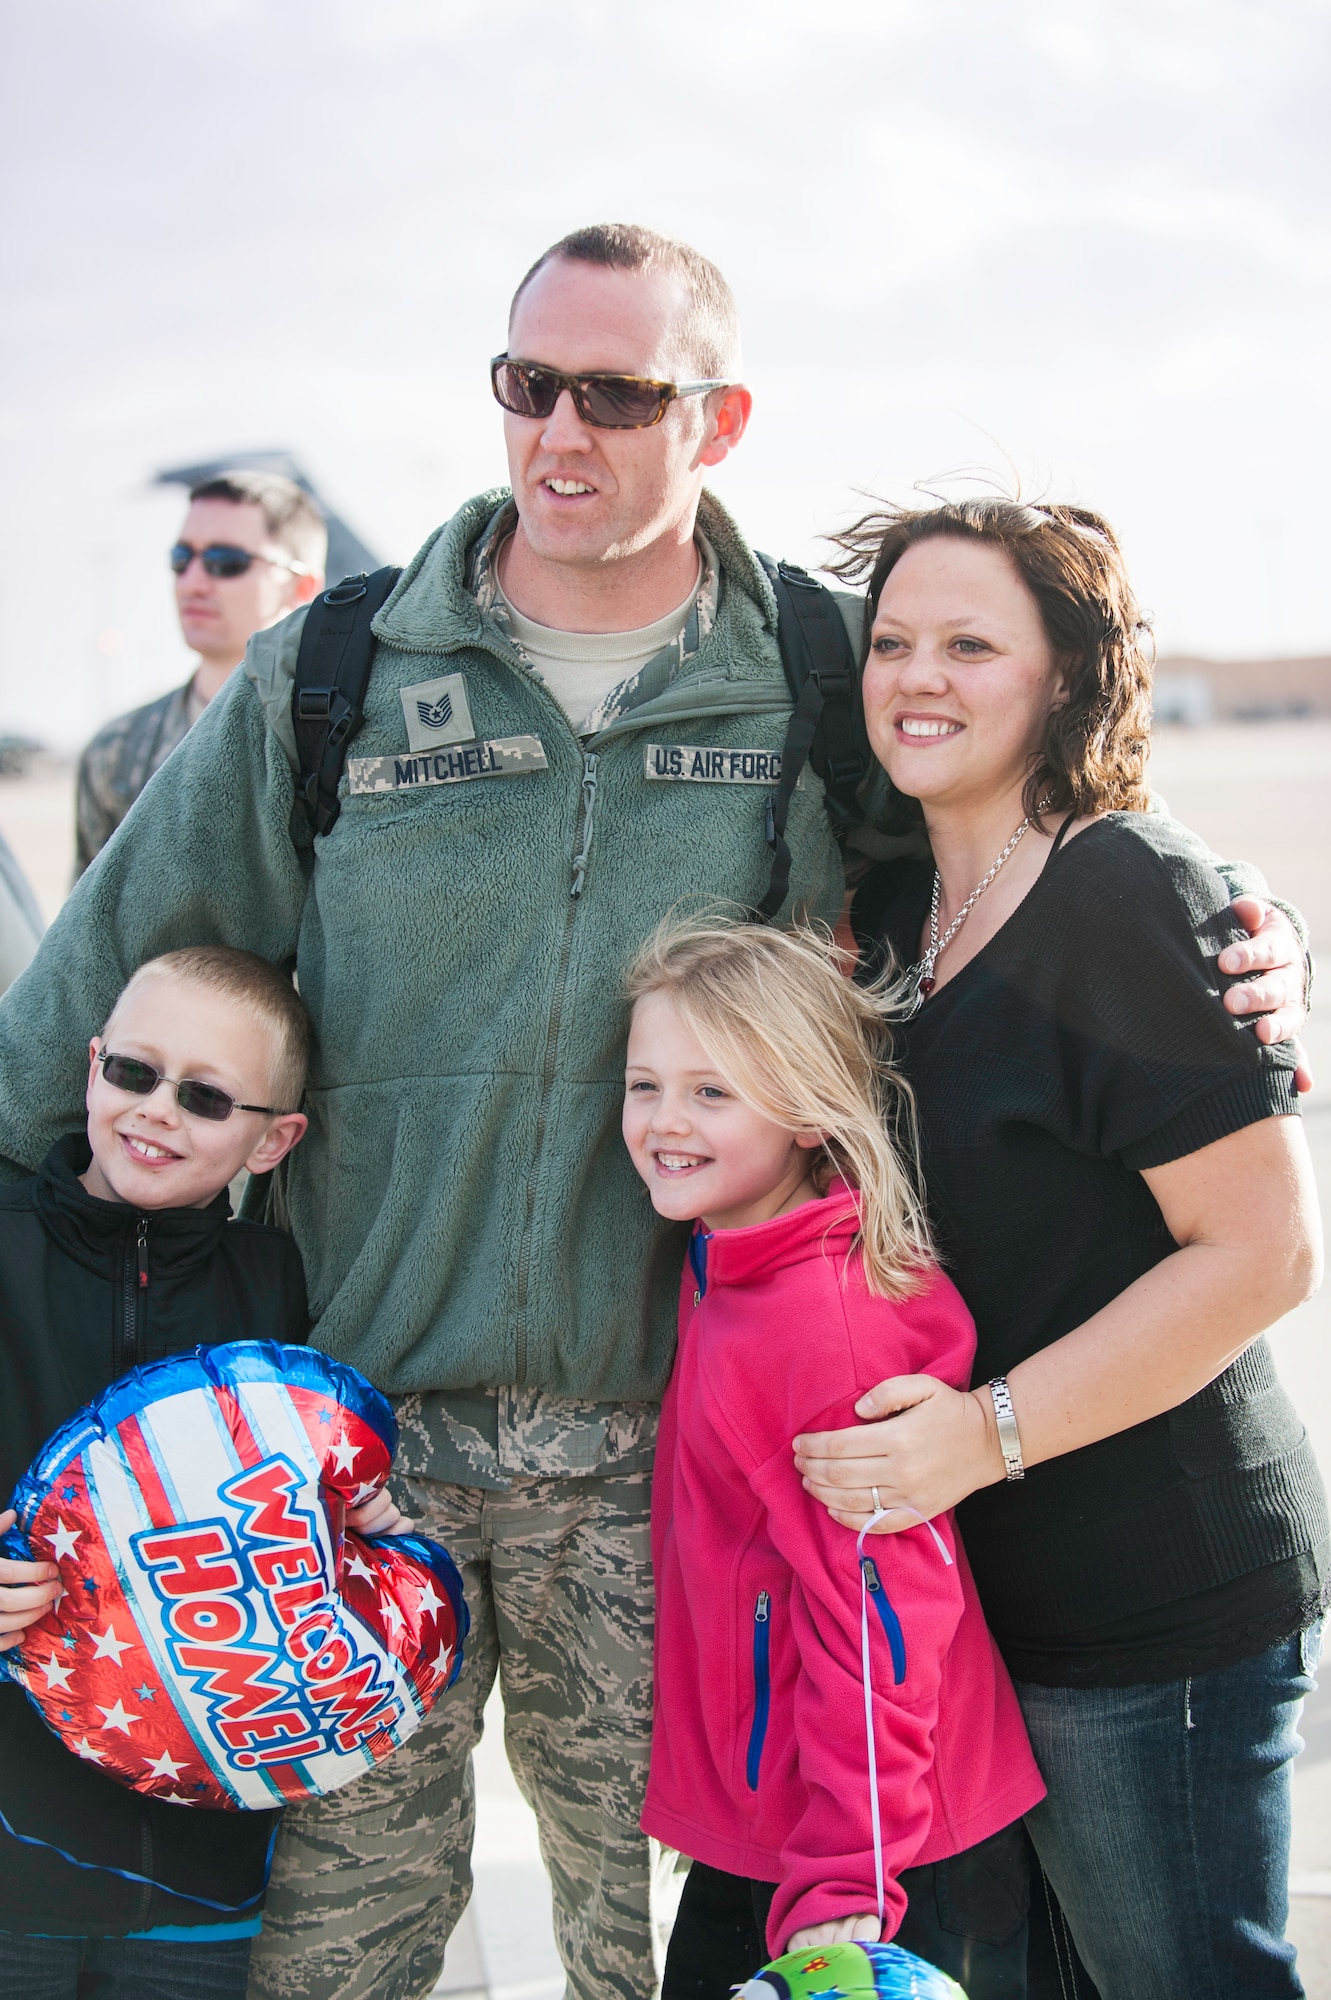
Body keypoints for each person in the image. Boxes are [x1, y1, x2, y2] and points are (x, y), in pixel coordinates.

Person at [0, 227, 1308, 2000]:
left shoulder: (811, 666)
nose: (560, 431)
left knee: (661, 1959)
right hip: (357, 1465)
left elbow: (1021, 804)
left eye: (618, 394)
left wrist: (1238, 916)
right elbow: (84, 995)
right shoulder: (341, 674)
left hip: (675, 1465)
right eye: (527, 384)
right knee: (332, 1964)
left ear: (718, 414)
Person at [791, 500, 1325, 1999]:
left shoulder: (1119, 889)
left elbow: (1262, 1254)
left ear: (1065, 678)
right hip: (975, 1609)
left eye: (971, 643)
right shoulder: (894, 911)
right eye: (893, 642)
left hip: (1149, 1598)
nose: (917, 675)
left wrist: (984, 1436)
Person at [623, 919, 1045, 1998]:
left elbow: (878, 1621)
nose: (665, 1120)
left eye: (711, 1092)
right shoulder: (730, 1256)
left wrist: (843, 1886)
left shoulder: (817, 1328)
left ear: (810, 1110)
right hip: (788, 1826)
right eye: (645, 1084)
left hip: (872, 1860)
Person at [0, 946, 313, 1999]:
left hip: (200, 1887)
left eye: (208, 1096)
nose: (157, 1112)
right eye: (133, 1072)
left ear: (274, 1139)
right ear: (91, 1066)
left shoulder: (280, 1293)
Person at [74, 472, 327, 875]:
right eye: (181, 559)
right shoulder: (116, 754)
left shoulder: (339, 743)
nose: (192, 582)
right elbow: (88, 927)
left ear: (300, 587)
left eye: (226, 562)